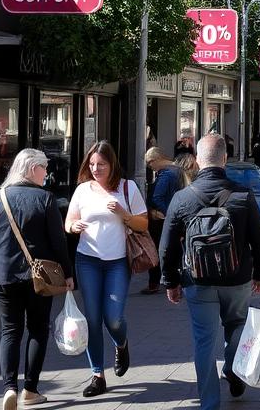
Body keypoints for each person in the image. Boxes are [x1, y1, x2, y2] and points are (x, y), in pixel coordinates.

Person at [160, 134, 260, 410]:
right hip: (237, 278)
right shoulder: (243, 196)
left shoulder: (182, 198)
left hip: (197, 280)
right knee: (237, 326)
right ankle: (234, 369)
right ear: (225, 159)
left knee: (204, 341)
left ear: (197, 160)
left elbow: (167, 245)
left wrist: (170, 281)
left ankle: (209, 403)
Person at [0, 148, 74, 410]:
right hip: (39, 278)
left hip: (5, 276)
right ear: (32, 169)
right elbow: (58, 240)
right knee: (38, 329)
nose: (47, 172)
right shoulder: (45, 198)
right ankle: (29, 389)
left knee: (10, 331)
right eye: (44, 167)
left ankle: (9, 388)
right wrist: (68, 273)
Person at [64, 142, 149, 397]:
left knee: (113, 317)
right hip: (87, 260)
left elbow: (143, 223)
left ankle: (121, 343)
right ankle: (97, 375)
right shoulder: (82, 190)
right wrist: (73, 227)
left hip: (117, 262)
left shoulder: (127, 187)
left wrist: (124, 213)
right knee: (92, 319)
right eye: (92, 164)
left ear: (112, 165)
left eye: (101, 164)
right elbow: (68, 221)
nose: (96, 169)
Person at [144, 147, 183, 294]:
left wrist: (167, 213)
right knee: (173, 250)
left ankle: (155, 282)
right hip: (173, 215)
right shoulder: (177, 170)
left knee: (158, 249)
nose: (150, 167)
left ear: (156, 159)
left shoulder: (166, 174)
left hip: (161, 219)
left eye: (150, 163)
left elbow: (157, 197)